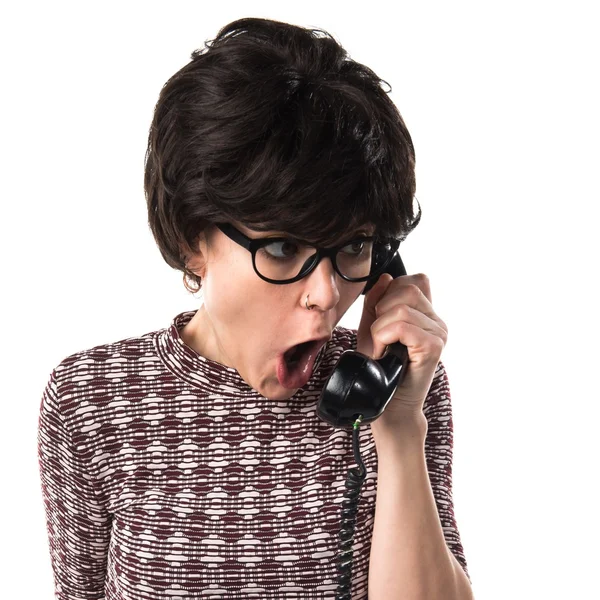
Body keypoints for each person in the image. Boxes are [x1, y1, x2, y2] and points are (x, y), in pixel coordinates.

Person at [37, 17, 471, 600]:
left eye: (353, 247)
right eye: (284, 248)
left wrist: (396, 429)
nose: (324, 294)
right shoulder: (93, 400)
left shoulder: (403, 387)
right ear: (194, 240)